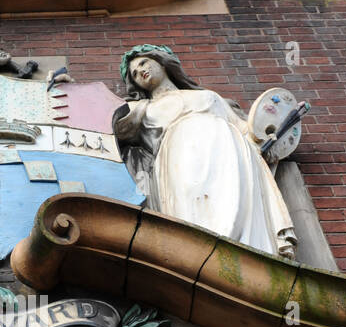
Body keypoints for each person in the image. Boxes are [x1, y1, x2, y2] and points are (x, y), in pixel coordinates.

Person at [113, 44, 297, 259]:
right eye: (134, 74)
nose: (140, 72)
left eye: (144, 63)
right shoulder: (141, 110)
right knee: (196, 215)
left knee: (238, 204)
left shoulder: (209, 96)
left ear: (161, 61)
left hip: (229, 152)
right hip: (180, 160)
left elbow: (247, 130)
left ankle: (251, 254)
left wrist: (272, 130)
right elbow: (107, 129)